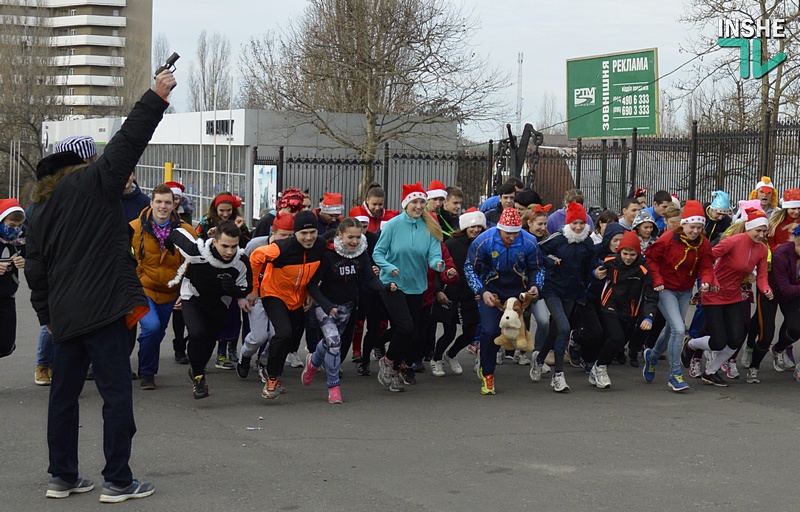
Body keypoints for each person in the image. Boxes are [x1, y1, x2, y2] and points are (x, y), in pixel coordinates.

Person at [25, 71, 175, 502]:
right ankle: (118, 480)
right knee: (114, 395)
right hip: (106, 309)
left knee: (64, 397)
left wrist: (47, 318)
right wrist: (154, 98)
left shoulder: (41, 208)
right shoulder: (92, 182)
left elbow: (35, 271)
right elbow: (128, 143)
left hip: (66, 317)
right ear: (85, 163)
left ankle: (63, 476)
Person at [303, 218, 395, 403]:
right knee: (335, 344)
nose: (354, 241)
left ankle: (313, 363)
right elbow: (312, 285)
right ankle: (334, 387)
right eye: (350, 237)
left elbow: (369, 278)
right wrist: (327, 306)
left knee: (330, 344)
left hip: (347, 306)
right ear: (340, 235)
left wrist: (385, 287)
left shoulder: (361, 254)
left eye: (358, 237)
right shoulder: (328, 255)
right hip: (325, 305)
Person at [681, 208, 772, 386]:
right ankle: (691, 345)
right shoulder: (733, 242)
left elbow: (761, 275)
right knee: (718, 341)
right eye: (758, 230)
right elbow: (707, 257)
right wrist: (708, 279)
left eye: (764, 231)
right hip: (714, 293)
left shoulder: (762, 249)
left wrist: (766, 288)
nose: (761, 235)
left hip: (734, 295)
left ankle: (710, 371)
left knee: (736, 339)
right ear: (748, 228)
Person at [166, 220, 252, 398]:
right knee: (197, 333)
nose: (229, 251)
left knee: (209, 340)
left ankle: (197, 367)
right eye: (225, 246)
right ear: (214, 241)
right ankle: (199, 377)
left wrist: (232, 289)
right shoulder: (196, 251)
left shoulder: (241, 262)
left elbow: (245, 289)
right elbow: (176, 233)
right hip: (192, 296)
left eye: (234, 246)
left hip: (219, 302)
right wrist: (168, 244)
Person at [372, 182, 444, 392]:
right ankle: (388, 362)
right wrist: (388, 267)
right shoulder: (393, 225)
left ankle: (394, 369)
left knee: (409, 333)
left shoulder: (429, 226)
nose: (419, 206)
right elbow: (378, 253)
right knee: (406, 328)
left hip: (417, 285)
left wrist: (437, 264)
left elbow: (434, 253)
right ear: (406, 204)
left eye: (422, 202)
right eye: (415, 202)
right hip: (393, 284)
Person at [465, 207, 546, 394]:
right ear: (499, 229)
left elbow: (538, 268)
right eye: (507, 234)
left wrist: (535, 286)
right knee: (490, 330)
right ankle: (487, 373)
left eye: (515, 234)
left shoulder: (529, 241)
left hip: (517, 293)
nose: (511, 237)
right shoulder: (484, 240)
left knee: (515, 332)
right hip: (492, 292)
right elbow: (470, 268)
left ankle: (522, 356)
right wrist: (481, 291)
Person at [641, 200, 717, 392]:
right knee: (678, 328)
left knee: (671, 328)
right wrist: (657, 280)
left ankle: (652, 355)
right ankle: (675, 374)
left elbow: (706, 265)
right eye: (693, 227)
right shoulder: (668, 239)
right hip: (665, 289)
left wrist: (707, 280)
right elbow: (651, 258)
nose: (696, 231)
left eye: (700, 227)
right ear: (684, 224)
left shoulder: (703, 243)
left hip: (685, 290)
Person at [249, 210, 326, 400]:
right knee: (283, 332)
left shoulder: (321, 245)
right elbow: (256, 257)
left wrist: (309, 291)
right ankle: (272, 377)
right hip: (273, 293)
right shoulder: (281, 248)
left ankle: (273, 370)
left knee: (291, 338)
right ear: (296, 232)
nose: (308, 238)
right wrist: (254, 289)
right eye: (303, 233)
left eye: (312, 233)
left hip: (298, 297)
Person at [129, 184, 195, 390]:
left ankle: (145, 362)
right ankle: (148, 374)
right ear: (151, 203)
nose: (163, 206)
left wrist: (184, 291)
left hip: (171, 290)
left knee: (157, 334)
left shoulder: (185, 231)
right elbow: (125, 259)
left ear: (174, 205)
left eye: (167, 202)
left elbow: (194, 263)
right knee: (151, 326)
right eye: (159, 201)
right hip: (144, 287)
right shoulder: (134, 227)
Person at [536, 202, 605, 392]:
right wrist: (551, 260)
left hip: (572, 291)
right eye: (574, 223)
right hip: (552, 289)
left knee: (555, 329)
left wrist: (595, 271)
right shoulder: (558, 238)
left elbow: (591, 264)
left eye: (581, 223)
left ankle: (540, 358)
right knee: (564, 328)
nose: (578, 227)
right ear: (568, 223)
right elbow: (538, 251)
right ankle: (558, 375)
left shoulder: (587, 242)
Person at [589, 230, 657, 388]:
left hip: (629, 310)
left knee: (618, 341)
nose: (628, 257)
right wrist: (594, 273)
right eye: (625, 253)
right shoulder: (610, 261)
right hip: (609, 303)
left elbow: (650, 296)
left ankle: (597, 366)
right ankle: (600, 367)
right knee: (617, 337)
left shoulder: (643, 270)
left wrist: (649, 317)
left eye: (632, 254)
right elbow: (591, 268)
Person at [235, 212, 295, 379]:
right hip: (257, 295)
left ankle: (264, 362)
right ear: (272, 231)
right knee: (260, 335)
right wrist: (246, 293)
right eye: (283, 235)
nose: (286, 240)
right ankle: (245, 356)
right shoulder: (256, 244)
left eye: (291, 236)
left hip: (279, 295)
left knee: (278, 334)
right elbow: (242, 268)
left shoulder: (293, 248)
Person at [195, 192, 251, 369]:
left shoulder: (239, 221)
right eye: (222, 211)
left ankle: (232, 348)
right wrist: (209, 236)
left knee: (234, 316)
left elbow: (246, 243)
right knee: (217, 316)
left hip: (234, 271)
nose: (225, 214)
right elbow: (197, 243)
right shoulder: (206, 221)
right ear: (215, 209)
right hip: (212, 273)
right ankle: (219, 354)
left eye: (228, 210)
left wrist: (240, 229)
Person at [431, 208, 485, 377]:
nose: (476, 230)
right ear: (464, 227)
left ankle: (451, 355)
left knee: (470, 333)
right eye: (472, 226)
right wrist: (438, 290)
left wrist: (481, 290)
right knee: (449, 332)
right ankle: (436, 359)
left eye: (479, 227)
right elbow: (438, 267)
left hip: (470, 296)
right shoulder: (451, 244)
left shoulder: (483, 245)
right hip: (451, 293)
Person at [745, 228, 800, 382]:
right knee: (766, 335)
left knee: (797, 327)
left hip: (793, 292)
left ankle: (778, 349)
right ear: (795, 241)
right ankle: (754, 367)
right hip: (770, 292)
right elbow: (785, 289)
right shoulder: (782, 254)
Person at [0, 199, 25, 360]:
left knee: (5, 344)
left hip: (7, 297)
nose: (14, 229)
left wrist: (26, 263)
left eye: (18, 226)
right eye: (10, 225)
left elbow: (37, 261)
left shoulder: (21, 242)